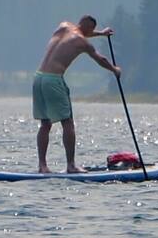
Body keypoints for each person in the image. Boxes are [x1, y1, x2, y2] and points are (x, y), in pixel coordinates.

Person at [32, 15, 120, 173]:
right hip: (53, 80)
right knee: (68, 123)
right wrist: (114, 70)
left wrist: (101, 33)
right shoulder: (82, 42)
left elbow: (82, 33)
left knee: (45, 124)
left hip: (39, 78)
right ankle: (71, 165)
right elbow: (100, 59)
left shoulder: (64, 26)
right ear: (90, 28)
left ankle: (42, 166)